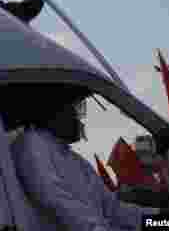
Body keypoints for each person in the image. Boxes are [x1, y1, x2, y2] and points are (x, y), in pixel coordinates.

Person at [11, 98, 160, 231]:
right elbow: (57, 205)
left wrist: (163, 220)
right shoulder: (31, 144)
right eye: (71, 110)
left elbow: (113, 209)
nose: (79, 119)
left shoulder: (74, 159)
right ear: (52, 113)